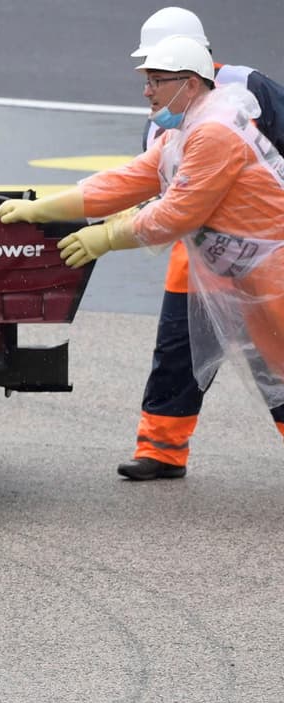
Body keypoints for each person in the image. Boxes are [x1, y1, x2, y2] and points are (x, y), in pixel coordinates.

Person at [0, 35, 284, 456]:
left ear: (188, 82)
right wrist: (42, 210)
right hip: (255, 275)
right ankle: (161, 448)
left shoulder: (213, 133)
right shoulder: (188, 129)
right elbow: (128, 180)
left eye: (155, 80)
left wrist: (107, 237)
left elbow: (176, 214)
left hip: (273, 273)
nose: (146, 91)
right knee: (278, 378)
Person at [114, 7, 284, 480]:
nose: (150, 83)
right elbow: (154, 178)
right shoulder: (166, 106)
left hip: (264, 255)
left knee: (277, 359)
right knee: (178, 350)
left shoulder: (249, 88)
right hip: (198, 258)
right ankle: (160, 450)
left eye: (156, 70)